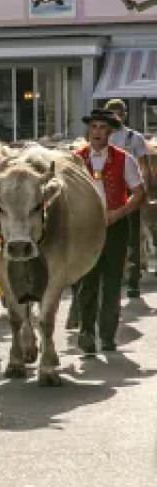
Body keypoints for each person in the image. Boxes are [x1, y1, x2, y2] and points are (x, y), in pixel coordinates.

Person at [75, 109, 146, 353]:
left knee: (113, 281)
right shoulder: (76, 159)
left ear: (110, 132)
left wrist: (118, 213)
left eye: (102, 128)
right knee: (88, 281)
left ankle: (106, 335)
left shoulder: (123, 158)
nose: (96, 132)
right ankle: (86, 332)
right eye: (93, 127)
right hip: (87, 228)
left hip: (115, 226)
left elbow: (139, 193)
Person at [104, 98, 150, 298]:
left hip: (130, 190)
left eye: (119, 113)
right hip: (106, 191)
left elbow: (145, 168)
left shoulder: (135, 138)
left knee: (132, 237)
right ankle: (110, 275)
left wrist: (144, 193)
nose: (116, 116)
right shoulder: (101, 136)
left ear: (124, 115)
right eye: (112, 113)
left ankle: (133, 280)